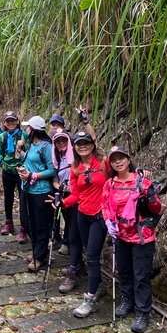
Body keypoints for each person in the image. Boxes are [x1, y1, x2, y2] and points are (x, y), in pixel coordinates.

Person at [102, 146, 162, 333]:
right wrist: (108, 222)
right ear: (111, 164)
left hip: (141, 236)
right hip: (120, 234)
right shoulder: (110, 184)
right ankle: (127, 301)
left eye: (121, 158)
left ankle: (143, 312)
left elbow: (157, 207)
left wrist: (151, 196)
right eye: (114, 160)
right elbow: (105, 204)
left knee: (141, 275)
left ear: (128, 160)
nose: (118, 162)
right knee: (125, 271)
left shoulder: (141, 182)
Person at [60, 130, 109, 317]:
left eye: (86, 143)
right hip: (82, 215)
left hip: (99, 216)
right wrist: (62, 202)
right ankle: (97, 286)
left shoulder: (104, 164)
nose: (82, 146)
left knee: (92, 255)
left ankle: (90, 300)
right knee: (89, 253)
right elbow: (76, 195)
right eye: (79, 144)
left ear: (92, 144)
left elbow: (121, 174)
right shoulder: (75, 168)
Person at [17, 116, 55, 272]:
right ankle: (39, 250)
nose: (26, 131)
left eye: (28, 128)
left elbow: (52, 169)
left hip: (41, 191)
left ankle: (39, 256)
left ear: (34, 130)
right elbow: (30, 161)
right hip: (27, 188)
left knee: (40, 224)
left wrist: (34, 175)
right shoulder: (30, 145)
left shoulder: (46, 147)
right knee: (26, 222)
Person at [0, 111, 29, 242]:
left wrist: (22, 146)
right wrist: (2, 164)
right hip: (7, 171)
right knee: (8, 197)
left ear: (17, 121)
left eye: (12, 120)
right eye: (7, 121)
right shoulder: (2, 136)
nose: (10, 123)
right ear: (4, 123)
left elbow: (29, 153)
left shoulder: (24, 135)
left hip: (21, 171)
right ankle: (8, 222)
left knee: (23, 199)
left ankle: (24, 228)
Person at [51, 131, 75, 257]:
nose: (61, 143)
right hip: (64, 194)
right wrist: (59, 187)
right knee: (68, 220)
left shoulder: (75, 155)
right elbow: (55, 179)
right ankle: (69, 246)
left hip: (77, 194)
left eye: (64, 140)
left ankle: (70, 246)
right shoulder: (57, 159)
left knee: (73, 223)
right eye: (58, 141)